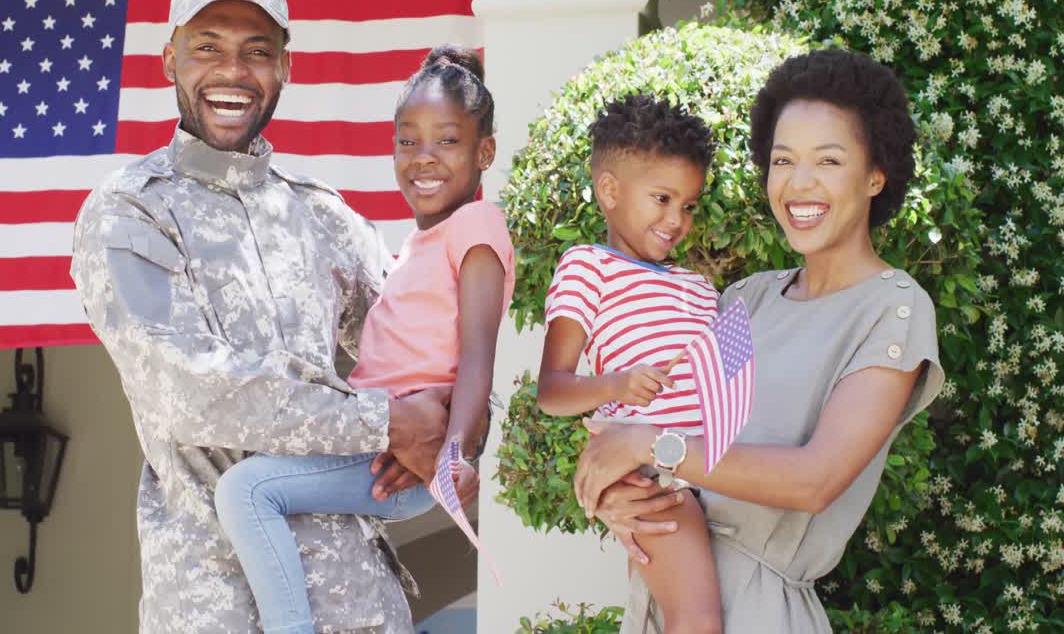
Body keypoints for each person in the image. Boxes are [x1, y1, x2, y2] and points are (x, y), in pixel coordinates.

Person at [70, 0, 453, 633]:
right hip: (216, 601)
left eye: (257, 52)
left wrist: (457, 431)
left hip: (361, 604)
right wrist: (387, 422)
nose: (232, 72)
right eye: (207, 48)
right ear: (169, 61)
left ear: (285, 68)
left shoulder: (323, 218)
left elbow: (423, 341)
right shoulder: (131, 212)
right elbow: (187, 387)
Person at [570, 49, 946, 633]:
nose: (799, 183)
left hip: (761, 611)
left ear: (876, 175)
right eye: (783, 160)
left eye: (828, 160)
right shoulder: (746, 301)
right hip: (668, 592)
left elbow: (814, 480)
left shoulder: (892, 309)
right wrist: (612, 496)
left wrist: (651, 446)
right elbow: (668, 424)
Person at [212, 45, 514, 634]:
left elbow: (479, 350)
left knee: (246, 491)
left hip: (406, 456)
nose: (423, 158)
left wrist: (453, 452)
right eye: (408, 140)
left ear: (485, 153)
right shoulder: (412, 247)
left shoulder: (477, 226)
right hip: (379, 438)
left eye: (447, 141)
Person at [537, 93, 723, 634]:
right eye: (662, 198)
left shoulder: (700, 286)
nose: (676, 219)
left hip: (714, 463)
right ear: (611, 191)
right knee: (696, 619)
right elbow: (552, 391)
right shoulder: (588, 266)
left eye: (688, 205)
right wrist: (616, 384)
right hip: (653, 479)